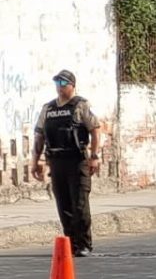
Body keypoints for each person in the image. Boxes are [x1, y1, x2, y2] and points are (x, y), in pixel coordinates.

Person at [31, 70, 103, 257]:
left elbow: (95, 130)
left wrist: (94, 156)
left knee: (79, 204)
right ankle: (70, 243)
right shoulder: (48, 108)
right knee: (63, 204)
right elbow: (39, 136)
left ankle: (84, 244)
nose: (60, 86)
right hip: (56, 161)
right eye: (57, 82)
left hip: (77, 160)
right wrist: (35, 161)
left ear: (72, 85)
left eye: (64, 82)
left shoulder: (80, 105)